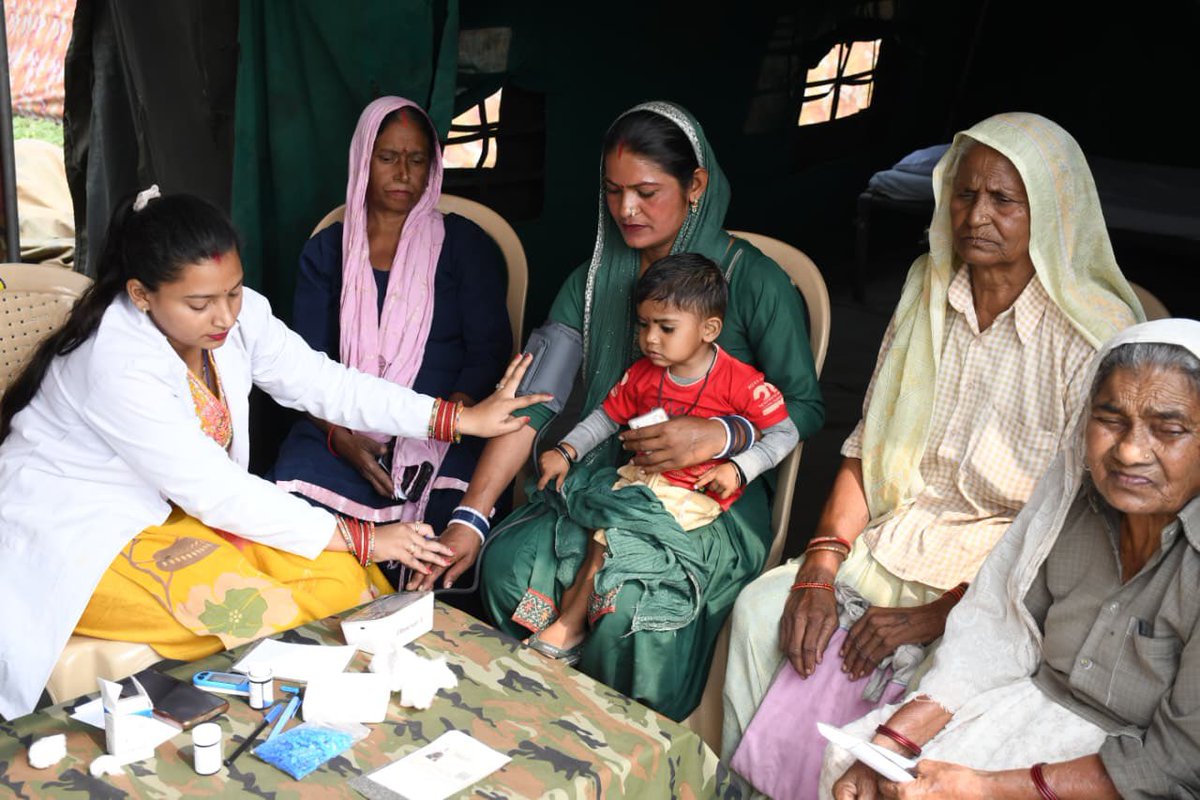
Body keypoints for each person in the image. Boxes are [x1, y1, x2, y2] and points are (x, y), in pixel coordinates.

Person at [0, 191, 546, 720]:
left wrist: (454, 419)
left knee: (347, 585)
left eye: (233, 292)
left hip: (178, 512)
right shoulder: (115, 359)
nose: (224, 316)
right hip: (82, 538)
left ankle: (396, 718)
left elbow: (322, 381)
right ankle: (319, 742)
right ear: (142, 295)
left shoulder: (239, 318)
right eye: (200, 303)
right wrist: (366, 536)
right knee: (261, 611)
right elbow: (216, 490)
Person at [723, 112, 1144, 797]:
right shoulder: (928, 288)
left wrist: (941, 615)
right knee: (764, 612)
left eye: (1004, 199)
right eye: (965, 194)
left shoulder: (1093, 336)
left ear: (1053, 210)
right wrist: (820, 568)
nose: (977, 215)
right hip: (901, 534)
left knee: (933, 680)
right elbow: (864, 450)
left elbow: (1081, 533)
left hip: (1010, 578)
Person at [411, 100, 824, 721]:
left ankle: (624, 752)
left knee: (633, 604)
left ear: (696, 186)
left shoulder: (754, 281)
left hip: (710, 500)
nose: (626, 209)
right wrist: (471, 517)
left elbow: (806, 405)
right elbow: (529, 403)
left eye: (647, 192)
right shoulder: (592, 280)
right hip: (607, 481)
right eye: (612, 191)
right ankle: (531, 732)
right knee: (508, 564)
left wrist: (719, 434)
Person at [826, 319, 1200, 800]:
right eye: (1110, 420)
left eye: (1168, 430)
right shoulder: (1070, 508)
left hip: (1128, 772)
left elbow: (1175, 764)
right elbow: (995, 636)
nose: (1129, 451)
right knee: (861, 772)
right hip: (1032, 711)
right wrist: (891, 744)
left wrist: (981, 788)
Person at [266, 96, 511, 587]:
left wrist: (445, 423)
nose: (403, 172)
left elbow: (489, 351)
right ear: (363, 161)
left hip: (446, 429)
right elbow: (303, 365)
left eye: (417, 159)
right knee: (293, 511)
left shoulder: (467, 245)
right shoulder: (326, 252)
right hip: (339, 429)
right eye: (388, 158)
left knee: (448, 529)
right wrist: (343, 438)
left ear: (433, 167)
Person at [528, 253, 800, 663]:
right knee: (589, 527)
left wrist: (740, 468)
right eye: (644, 325)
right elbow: (606, 416)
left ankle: (570, 625)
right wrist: (567, 451)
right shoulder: (642, 374)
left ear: (710, 329)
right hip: (640, 481)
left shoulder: (741, 382)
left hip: (691, 495)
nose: (651, 338)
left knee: (610, 535)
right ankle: (572, 619)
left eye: (666, 327)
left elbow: (786, 431)